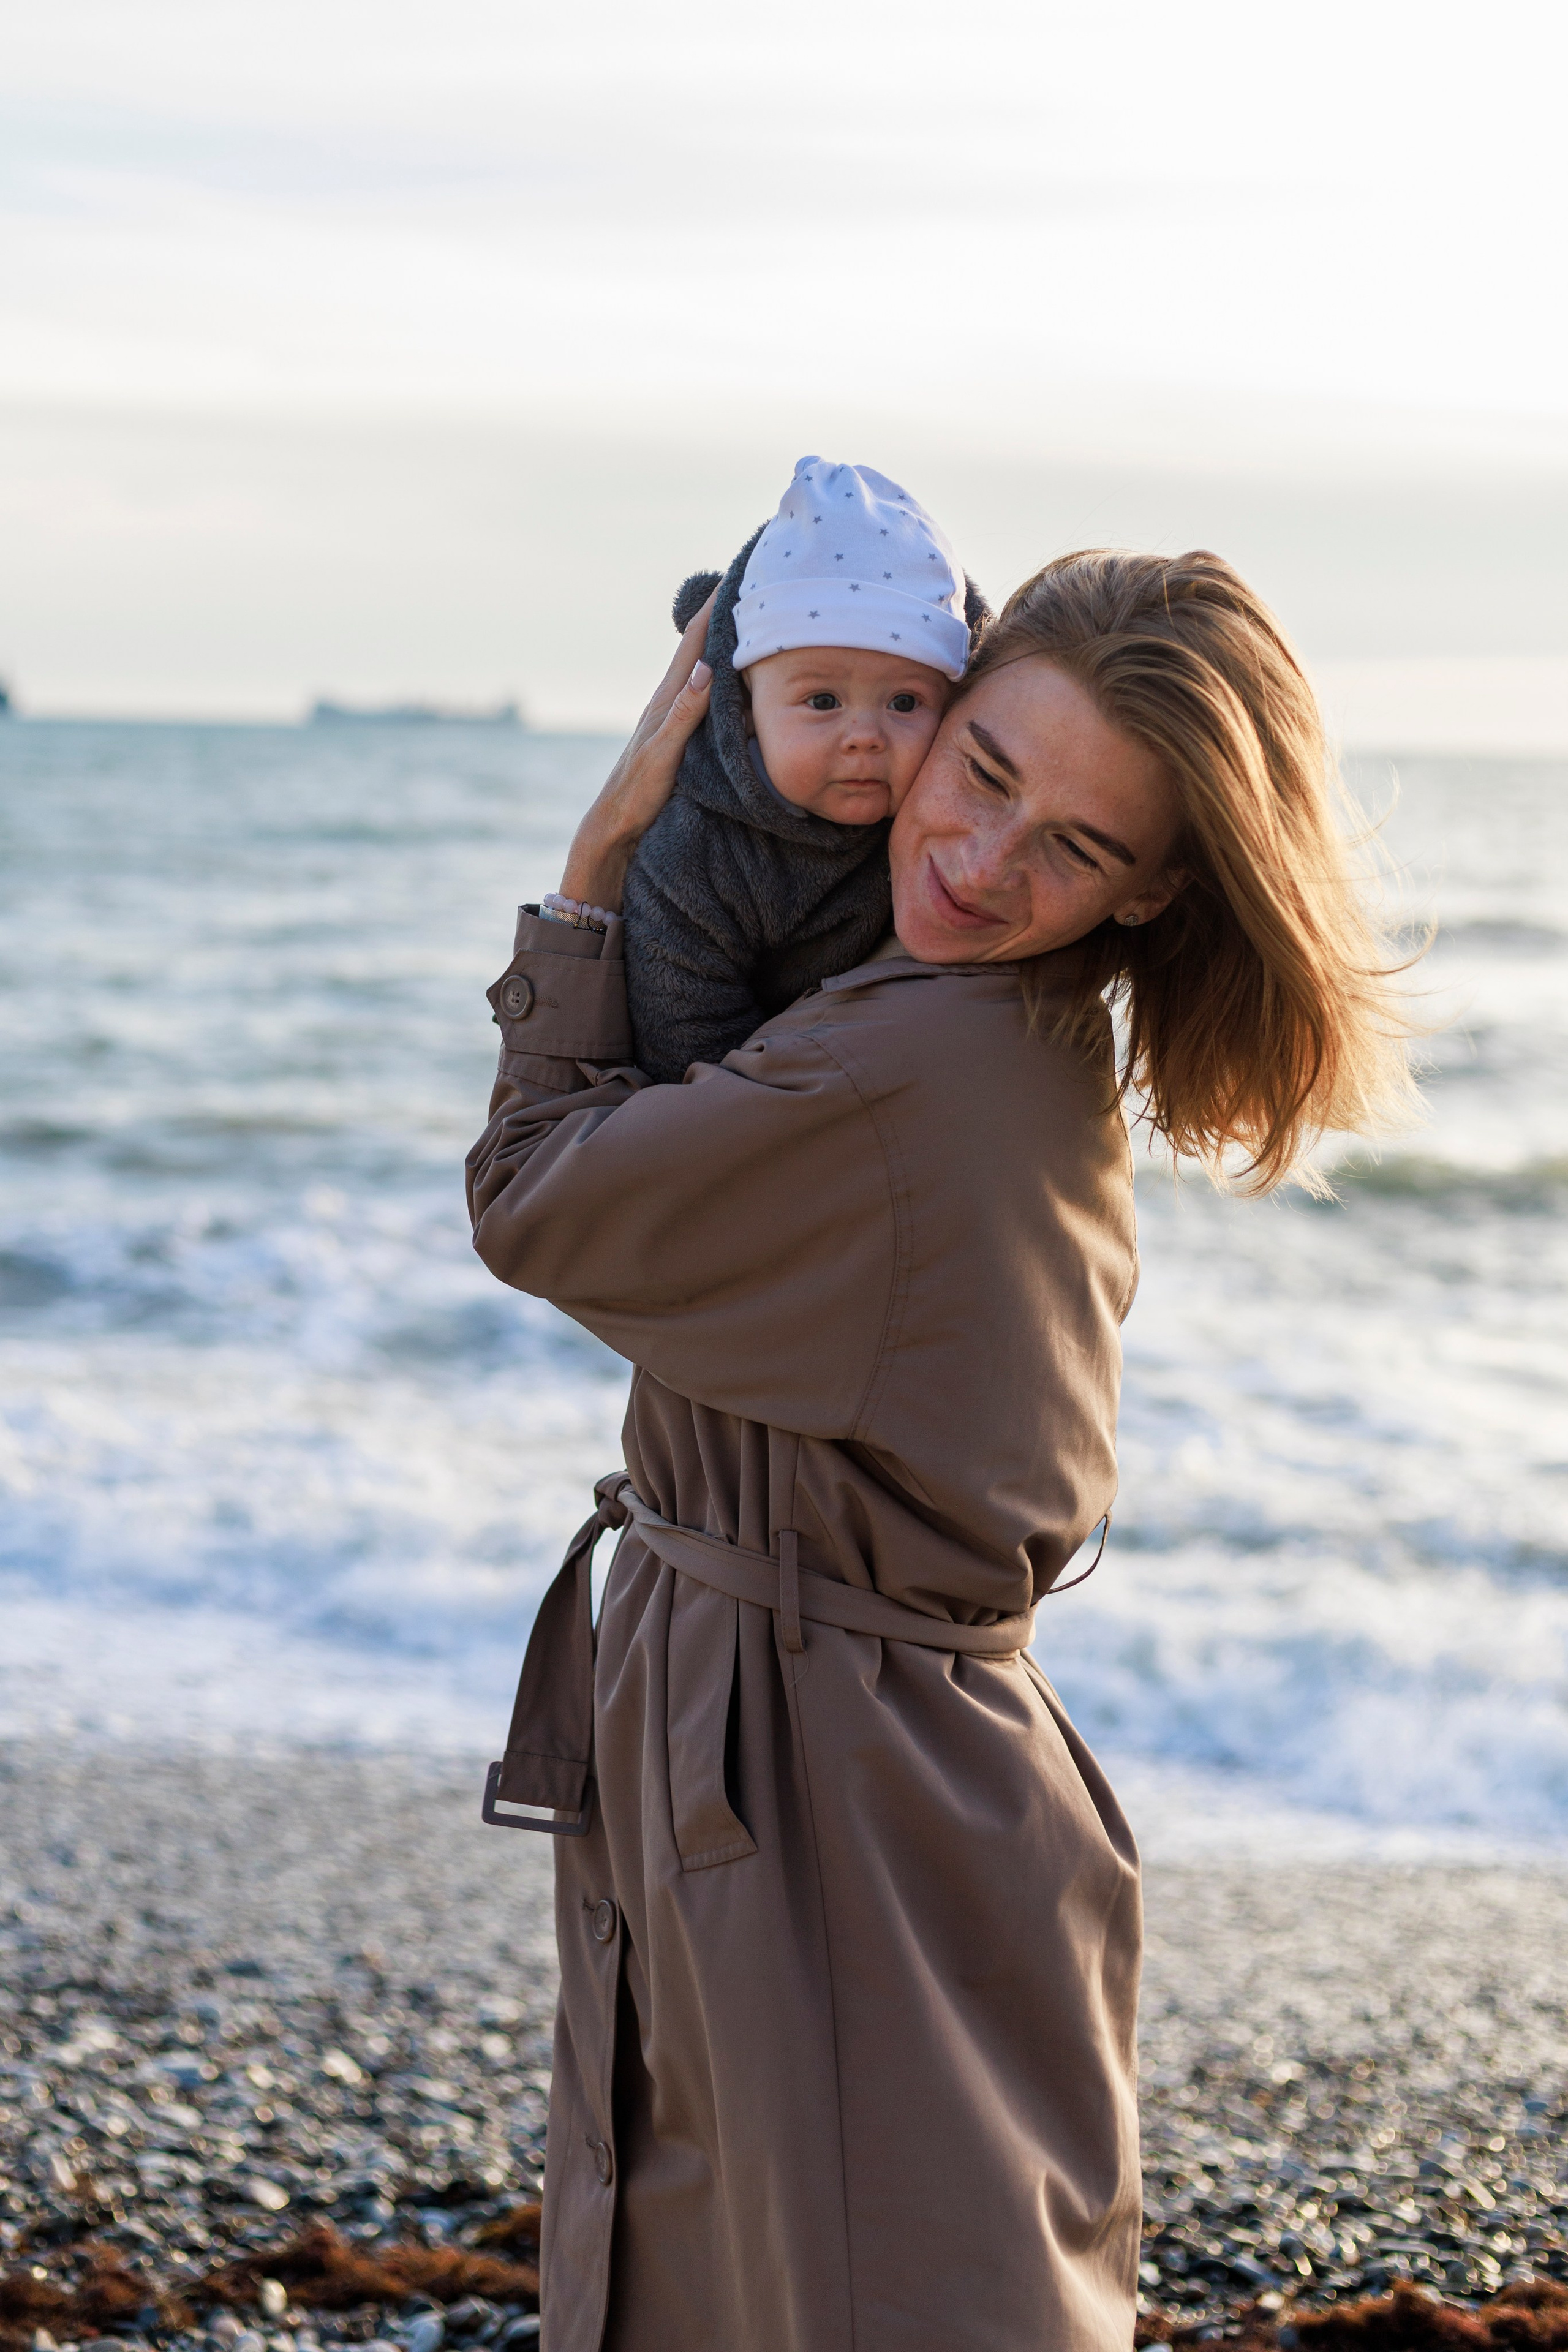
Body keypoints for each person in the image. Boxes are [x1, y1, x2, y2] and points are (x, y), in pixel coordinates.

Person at [466, 545, 1413, 2352]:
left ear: (1148, 893)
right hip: (854, 1738)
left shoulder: (910, 1057)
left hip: (830, 1768)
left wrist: (598, 865)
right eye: (979, 772)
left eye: (1073, 847)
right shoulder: (994, 1014)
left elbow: (528, 1202)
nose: (980, 866)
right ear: (935, 702)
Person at [611, 454, 989, 1083]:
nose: (864, 738)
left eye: (905, 702)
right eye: (822, 702)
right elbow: (682, 1043)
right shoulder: (695, 854)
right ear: (746, 710)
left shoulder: (951, 834)